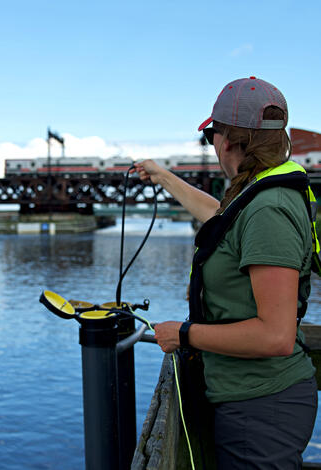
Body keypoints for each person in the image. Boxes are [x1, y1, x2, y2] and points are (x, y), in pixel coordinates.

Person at [132, 76, 318, 469]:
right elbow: (220, 219)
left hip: (262, 408)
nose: (213, 145)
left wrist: (183, 334)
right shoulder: (256, 194)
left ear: (227, 140)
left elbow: (276, 335)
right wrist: (163, 176)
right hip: (253, 402)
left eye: (212, 136)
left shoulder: (269, 210)